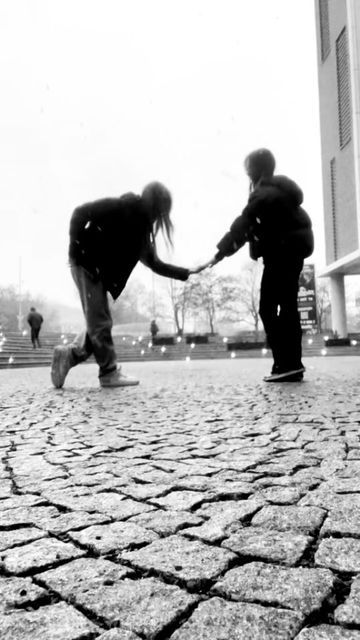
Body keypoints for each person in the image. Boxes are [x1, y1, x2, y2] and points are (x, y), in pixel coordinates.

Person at [51, 182, 199, 389]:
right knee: (100, 323)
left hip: (93, 268)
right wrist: (74, 250)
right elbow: (80, 213)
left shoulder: (141, 229)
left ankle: (69, 354)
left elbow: (153, 262)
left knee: (98, 321)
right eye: (158, 212)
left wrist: (184, 273)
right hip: (87, 264)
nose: (157, 218)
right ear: (153, 205)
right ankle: (108, 372)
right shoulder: (119, 207)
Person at [203, 148, 314, 382]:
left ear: (256, 170)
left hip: (280, 253)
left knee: (269, 308)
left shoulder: (264, 194)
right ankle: (291, 364)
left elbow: (243, 225)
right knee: (288, 307)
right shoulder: (282, 192)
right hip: (292, 252)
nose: (247, 175)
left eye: (248, 169)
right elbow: (251, 227)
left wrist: (220, 253)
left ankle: (286, 363)